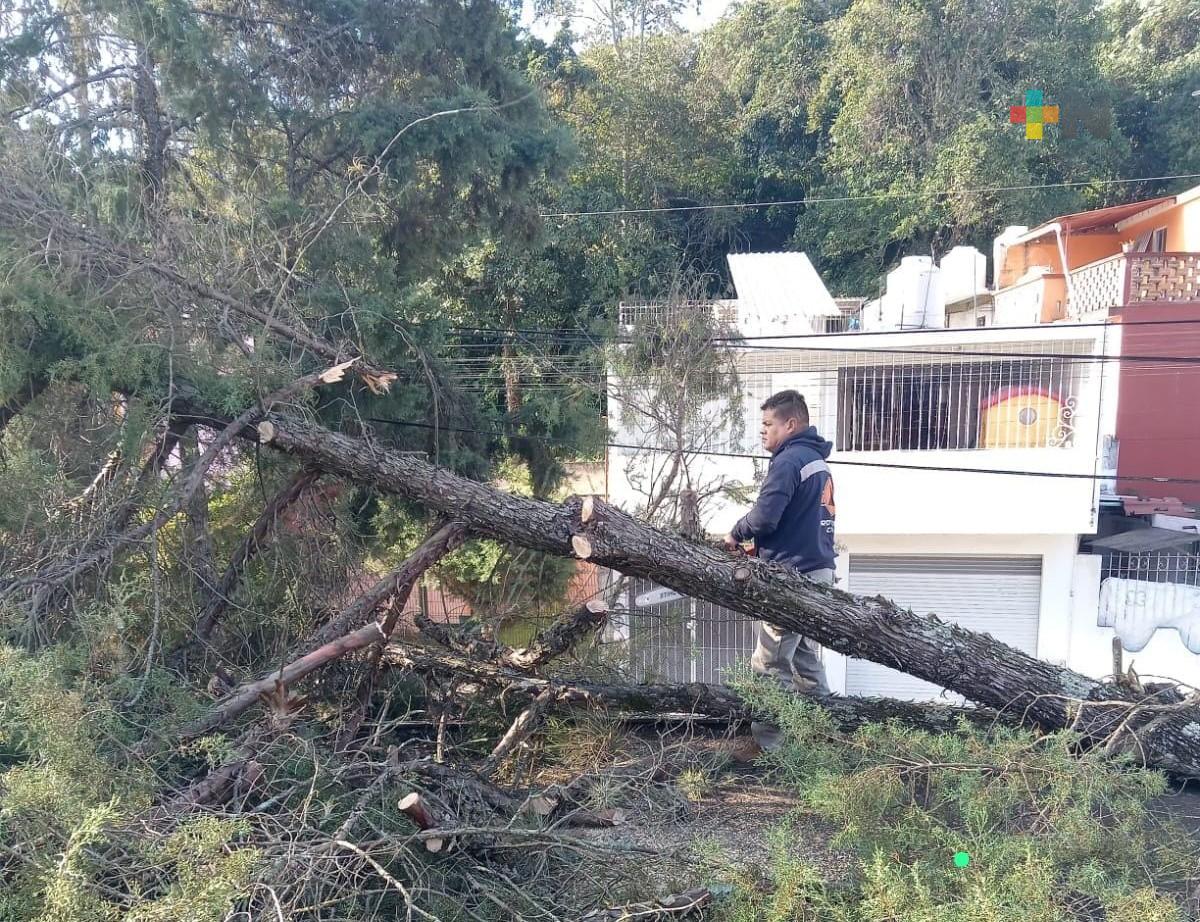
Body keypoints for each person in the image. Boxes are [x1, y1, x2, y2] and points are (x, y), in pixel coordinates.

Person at [724, 389, 836, 750]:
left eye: (768, 424)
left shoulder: (789, 462)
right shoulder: (816, 461)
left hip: (793, 574)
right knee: (804, 659)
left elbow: (765, 517)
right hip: (819, 571)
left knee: (770, 662)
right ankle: (824, 738)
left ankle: (771, 751)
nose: (763, 431)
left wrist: (736, 532)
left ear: (791, 424)